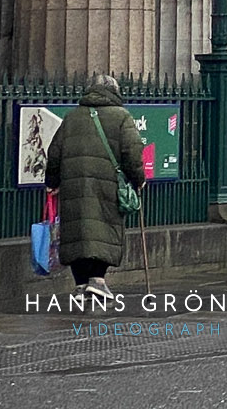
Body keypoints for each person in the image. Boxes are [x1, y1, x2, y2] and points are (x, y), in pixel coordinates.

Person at [44, 73, 146, 303]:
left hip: (73, 185)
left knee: (77, 231)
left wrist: (52, 183)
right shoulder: (122, 117)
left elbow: (55, 153)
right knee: (104, 229)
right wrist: (138, 179)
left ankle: (80, 285)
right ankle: (98, 280)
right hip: (106, 186)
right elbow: (133, 153)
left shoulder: (72, 117)